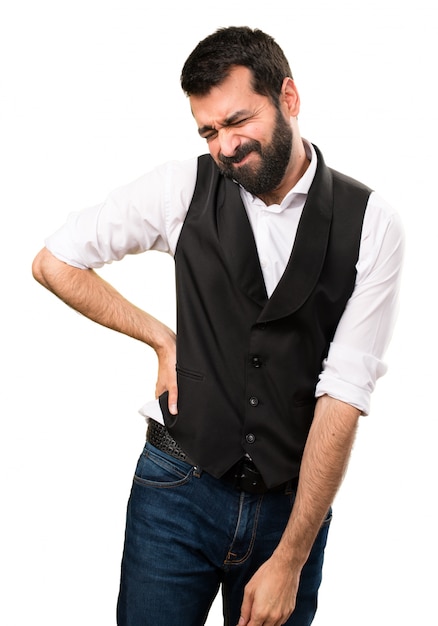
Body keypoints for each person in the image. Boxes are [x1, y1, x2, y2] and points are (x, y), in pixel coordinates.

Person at [32, 26, 404, 626]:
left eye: (238, 121)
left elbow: (345, 394)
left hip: (291, 508)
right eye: (209, 131)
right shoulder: (182, 188)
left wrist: (292, 557)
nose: (226, 146)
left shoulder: (373, 225)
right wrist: (160, 337)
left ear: (288, 98)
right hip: (177, 486)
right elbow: (54, 261)